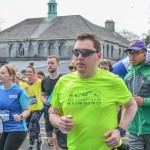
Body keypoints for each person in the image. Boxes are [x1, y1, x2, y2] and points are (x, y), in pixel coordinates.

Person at [49, 32, 137, 150]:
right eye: (76, 52)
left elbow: (131, 105)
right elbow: (54, 113)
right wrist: (59, 121)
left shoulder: (113, 81)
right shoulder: (63, 82)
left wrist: (120, 130)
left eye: (86, 52)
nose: (80, 57)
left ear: (99, 56)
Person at [124, 40, 150, 150]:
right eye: (130, 53)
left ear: (144, 53)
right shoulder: (127, 76)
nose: (132, 57)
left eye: (135, 53)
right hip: (134, 129)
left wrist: (145, 101)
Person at [0, 64, 30, 150]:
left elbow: (27, 110)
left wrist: (20, 116)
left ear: (11, 76)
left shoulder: (19, 91)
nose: (0, 75)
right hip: (4, 129)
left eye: (2, 73)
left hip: (17, 128)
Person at [19, 64, 44, 150]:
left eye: (30, 72)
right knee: (31, 126)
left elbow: (45, 89)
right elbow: (19, 94)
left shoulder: (39, 82)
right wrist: (23, 90)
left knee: (32, 125)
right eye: (27, 72)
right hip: (28, 109)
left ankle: (31, 145)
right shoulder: (22, 84)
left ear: (34, 73)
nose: (28, 73)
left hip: (38, 108)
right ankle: (39, 139)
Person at [41, 55, 62, 149]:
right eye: (48, 63)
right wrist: (44, 100)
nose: (49, 65)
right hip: (47, 113)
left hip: (58, 113)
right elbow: (42, 94)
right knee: (50, 141)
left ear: (58, 64)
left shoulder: (63, 80)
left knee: (56, 141)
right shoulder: (44, 80)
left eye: (52, 63)